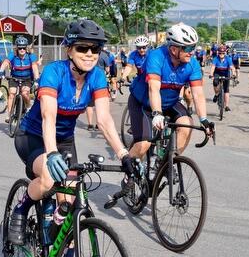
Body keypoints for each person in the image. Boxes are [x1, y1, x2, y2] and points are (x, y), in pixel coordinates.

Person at [8, 19, 137, 246]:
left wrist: (124, 155)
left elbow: (104, 120)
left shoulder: (97, 76)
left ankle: (59, 253)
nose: (89, 54)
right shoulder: (54, 72)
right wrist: (51, 154)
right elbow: (48, 116)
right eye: (82, 48)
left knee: (68, 209)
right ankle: (21, 208)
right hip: (33, 136)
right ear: (69, 49)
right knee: (48, 178)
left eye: (95, 49)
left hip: (65, 140)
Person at [127, 22, 213, 163]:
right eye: (188, 48)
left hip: (169, 102)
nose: (192, 51)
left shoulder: (193, 64)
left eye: (194, 46)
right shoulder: (156, 56)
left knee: (186, 124)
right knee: (143, 144)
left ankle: (167, 163)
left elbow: (198, 94)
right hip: (143, 102)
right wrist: (157, 113)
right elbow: (153, 88)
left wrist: (204, 120)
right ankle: (128, 170)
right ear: (173, 49)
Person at [0, 35, 39, 123]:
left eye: (24, 48)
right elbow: (5, 62)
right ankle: (9, 115)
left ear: (26, 48)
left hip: (27, 78)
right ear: (17, 48)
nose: (22, 50)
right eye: (20, 48)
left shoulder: (31, 56)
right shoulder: (13, 55)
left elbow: (35, 67)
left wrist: (36, 79)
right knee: (12, 93)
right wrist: (1, 71)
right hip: (14, 77)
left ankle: (28, 106)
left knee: (25, 93)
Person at [85, 48, 110, 130]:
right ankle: (98, 124)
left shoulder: (88, 54)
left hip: (89, 80)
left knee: (89, 104)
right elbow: (107, 69)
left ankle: (90, 124)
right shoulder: (104, 55)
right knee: (100, 103)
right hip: (100, 81)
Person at [209, 45, 235, 111]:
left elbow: (232, 67)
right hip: (217, 72)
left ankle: (226, 106)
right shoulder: (216, 58)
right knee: (215, 83)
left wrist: (234, 74)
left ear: (225, 53)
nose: (221, 54)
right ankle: (216, 94)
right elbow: (213, 67)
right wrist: (211, 74)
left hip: (226, 73)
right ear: (218, 53)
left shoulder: (228, 58)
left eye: (223, 53)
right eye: (220, 53)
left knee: (226, 90)